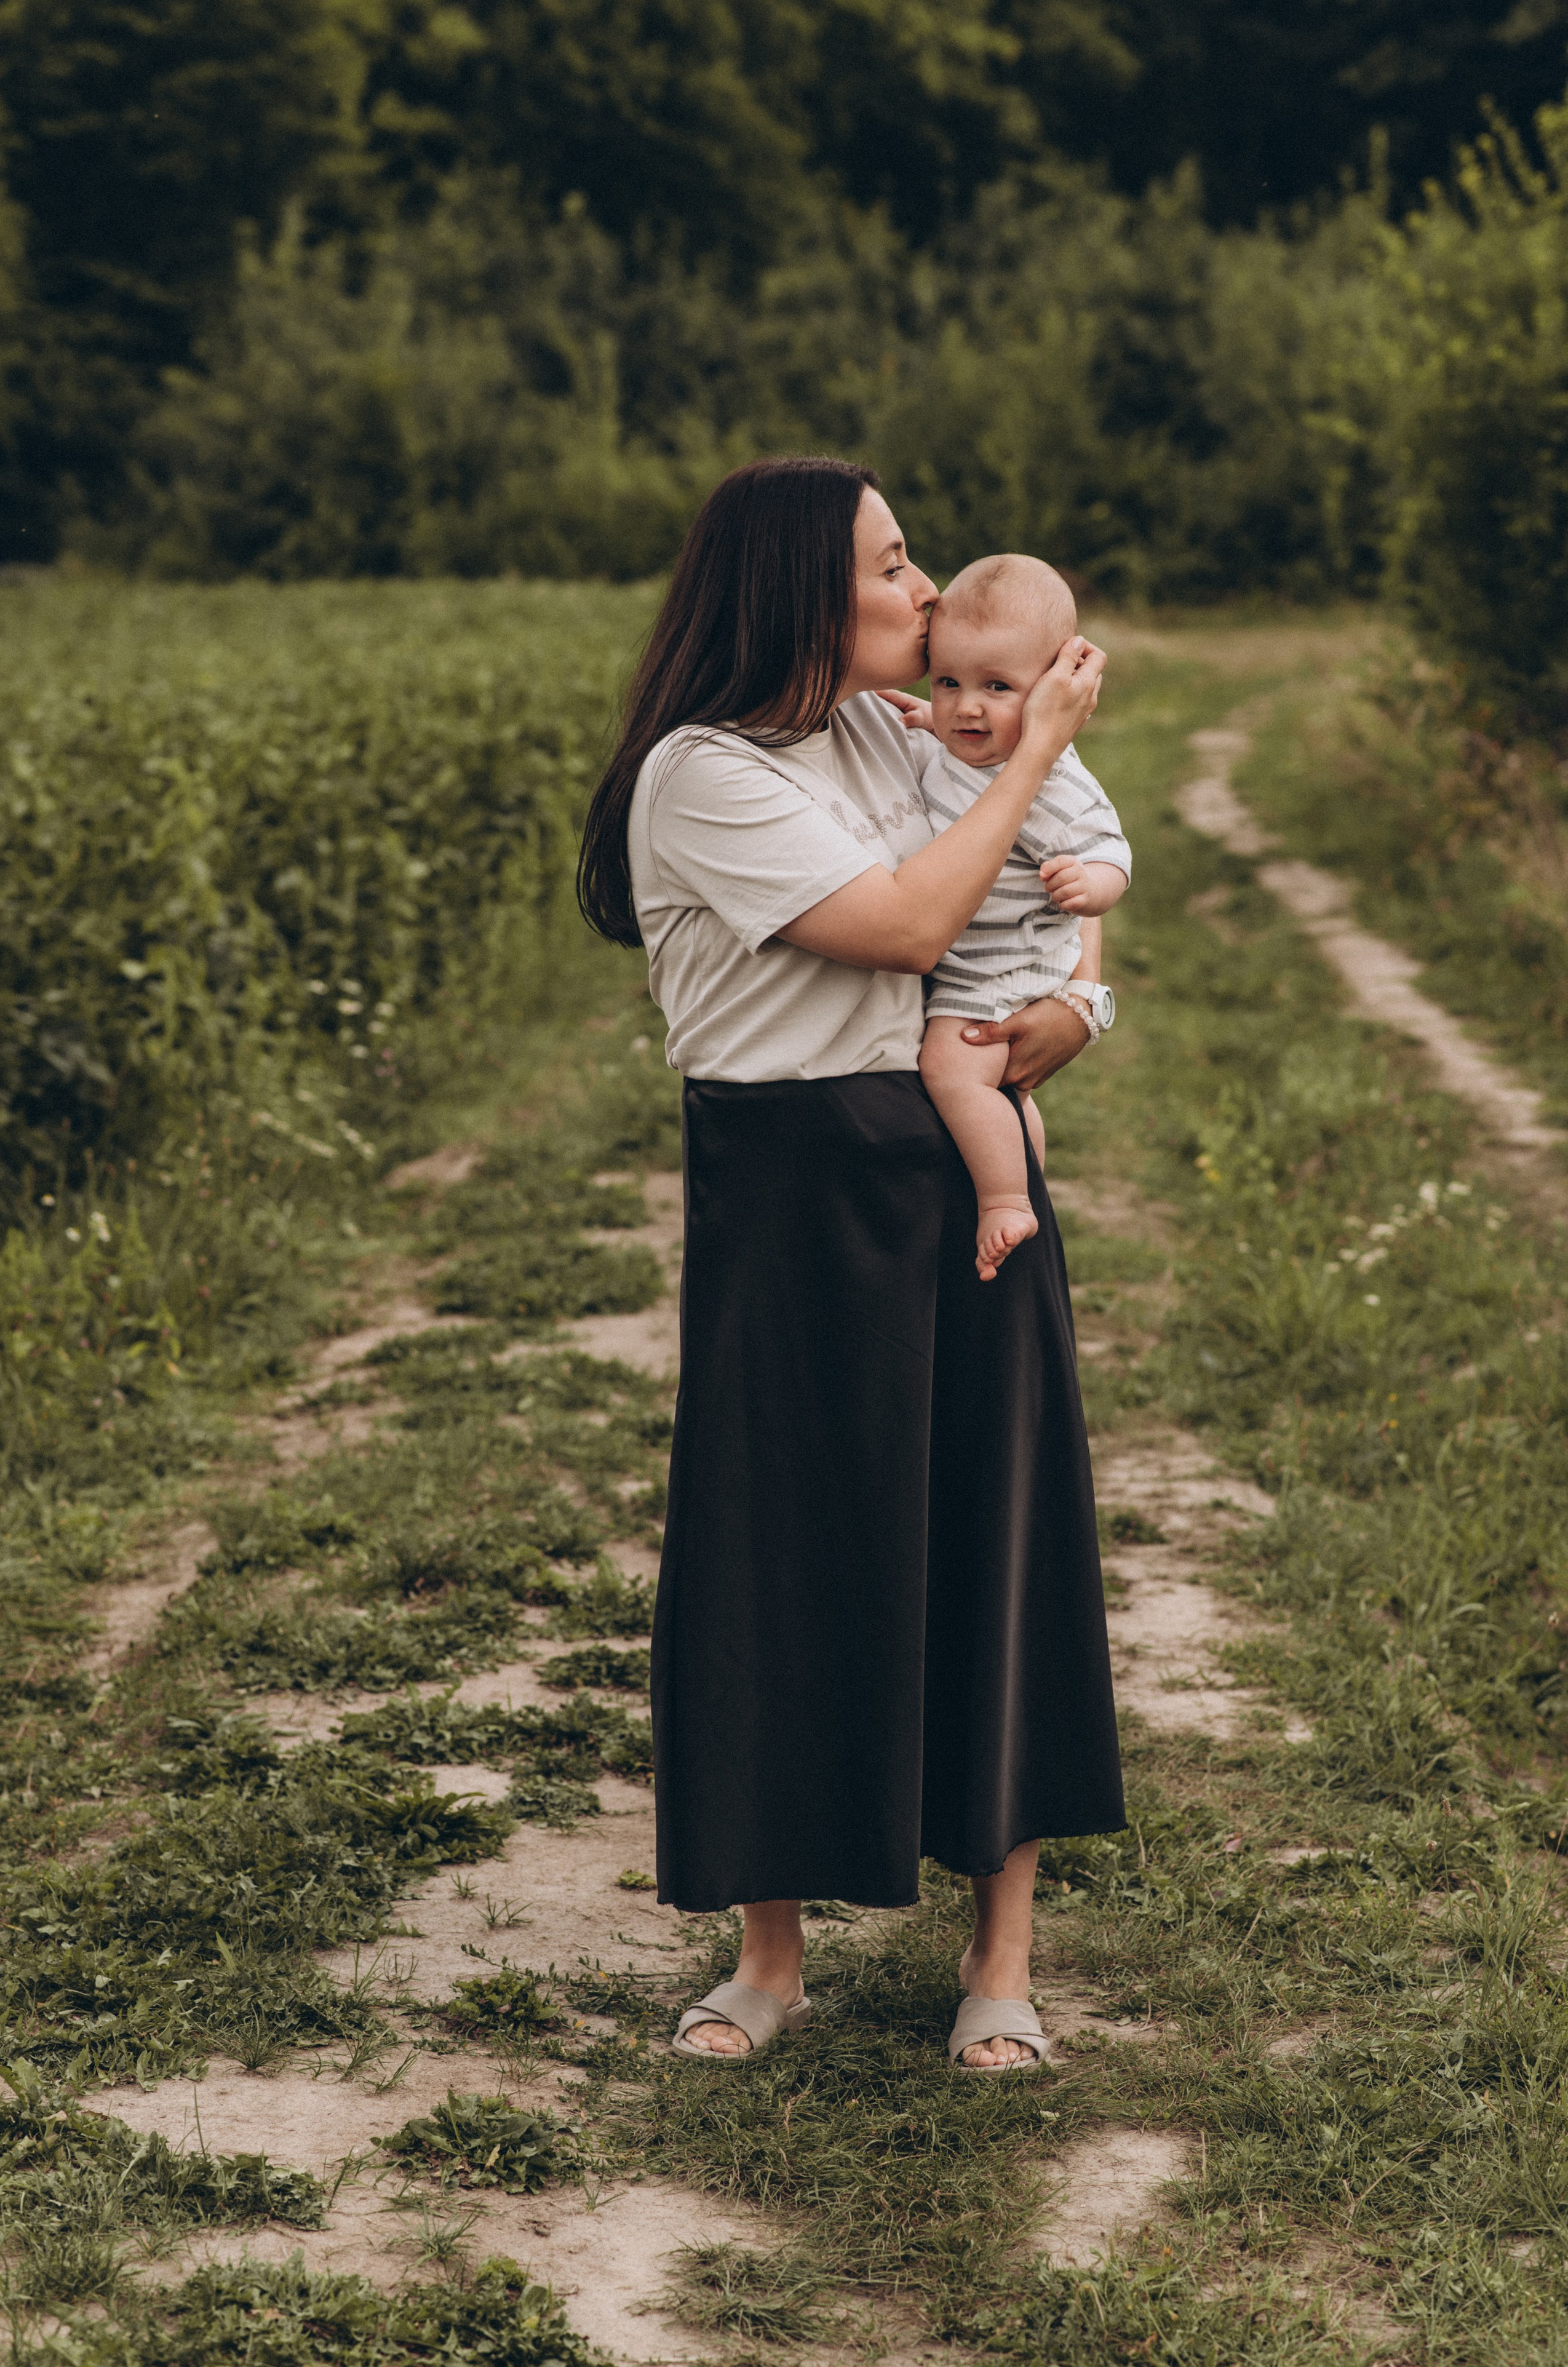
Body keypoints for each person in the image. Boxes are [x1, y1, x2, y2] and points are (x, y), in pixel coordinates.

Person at [577, 456, 1125, 2075]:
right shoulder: (704, 770)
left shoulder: (909, 737)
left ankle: (1002, 1959)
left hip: (963, 1165)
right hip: (789, 1184)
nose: (926, 594)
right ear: (802, 591)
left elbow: (1052, 914)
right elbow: (899, 926)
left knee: (996, 1536)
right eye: (893, 569)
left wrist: (1078, 1011)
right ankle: (768, 1959)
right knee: (780, 1548)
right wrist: (1031, 758)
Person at [888, 554, 1131, 1282]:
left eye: (998, 687)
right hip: (979, 956)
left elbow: (1112, 846)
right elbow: (949, 750)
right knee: (997, 1087)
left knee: (951, 1067)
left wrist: (1092, 883)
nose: (967, 708)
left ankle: (1004, 1199)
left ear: (1054, 688)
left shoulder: (1051, 779)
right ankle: (1022, 1167)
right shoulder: (959, 743)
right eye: (948, 682)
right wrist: (924, 721)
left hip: (1004, 965)